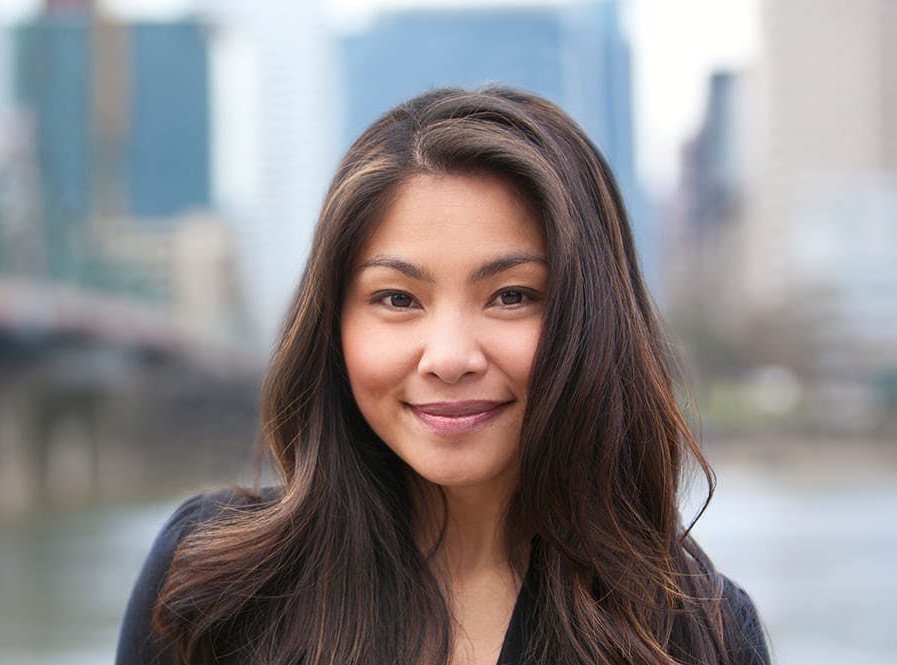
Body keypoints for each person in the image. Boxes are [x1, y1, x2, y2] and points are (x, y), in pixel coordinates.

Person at [116, 87, 771, 665]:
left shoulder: (697, 633)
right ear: (333, 325)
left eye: (511, 295)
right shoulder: (212, 584)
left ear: (592, 317)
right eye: (397, 298)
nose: (449, 357)